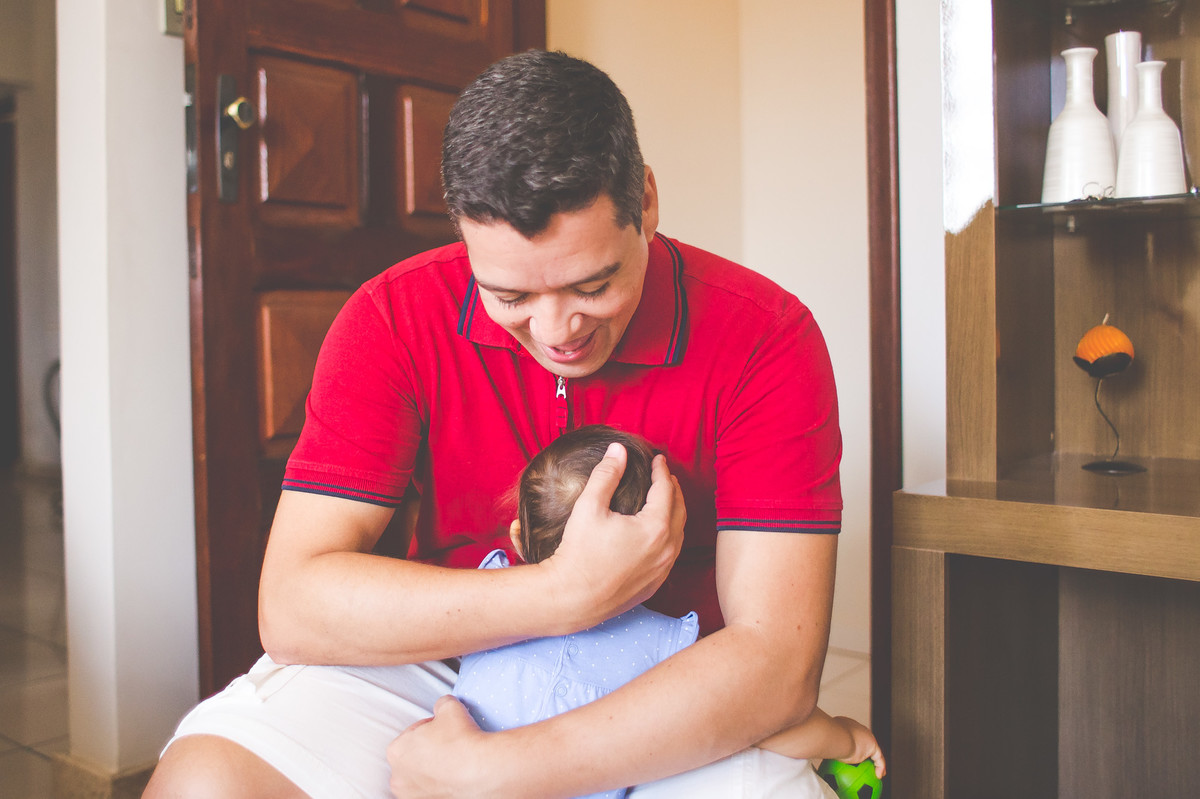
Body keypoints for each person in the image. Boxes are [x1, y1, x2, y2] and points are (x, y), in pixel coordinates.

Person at [145, 48, 843, 799]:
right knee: (206, 782)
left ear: (646, 200)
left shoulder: (766, 336)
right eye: (509, 296)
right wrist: (563, 593)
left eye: (593, 283)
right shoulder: (394, 316)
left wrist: (497, 772)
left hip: (664, 675)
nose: (557, 330)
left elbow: (776, 659)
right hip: (451, 655)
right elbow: (292, 604)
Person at [452, 425, 883, 799]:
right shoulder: (661, 643)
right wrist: (842, 739)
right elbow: (763, 720)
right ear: (659, 550)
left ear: (519, 540)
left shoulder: (486, 595)